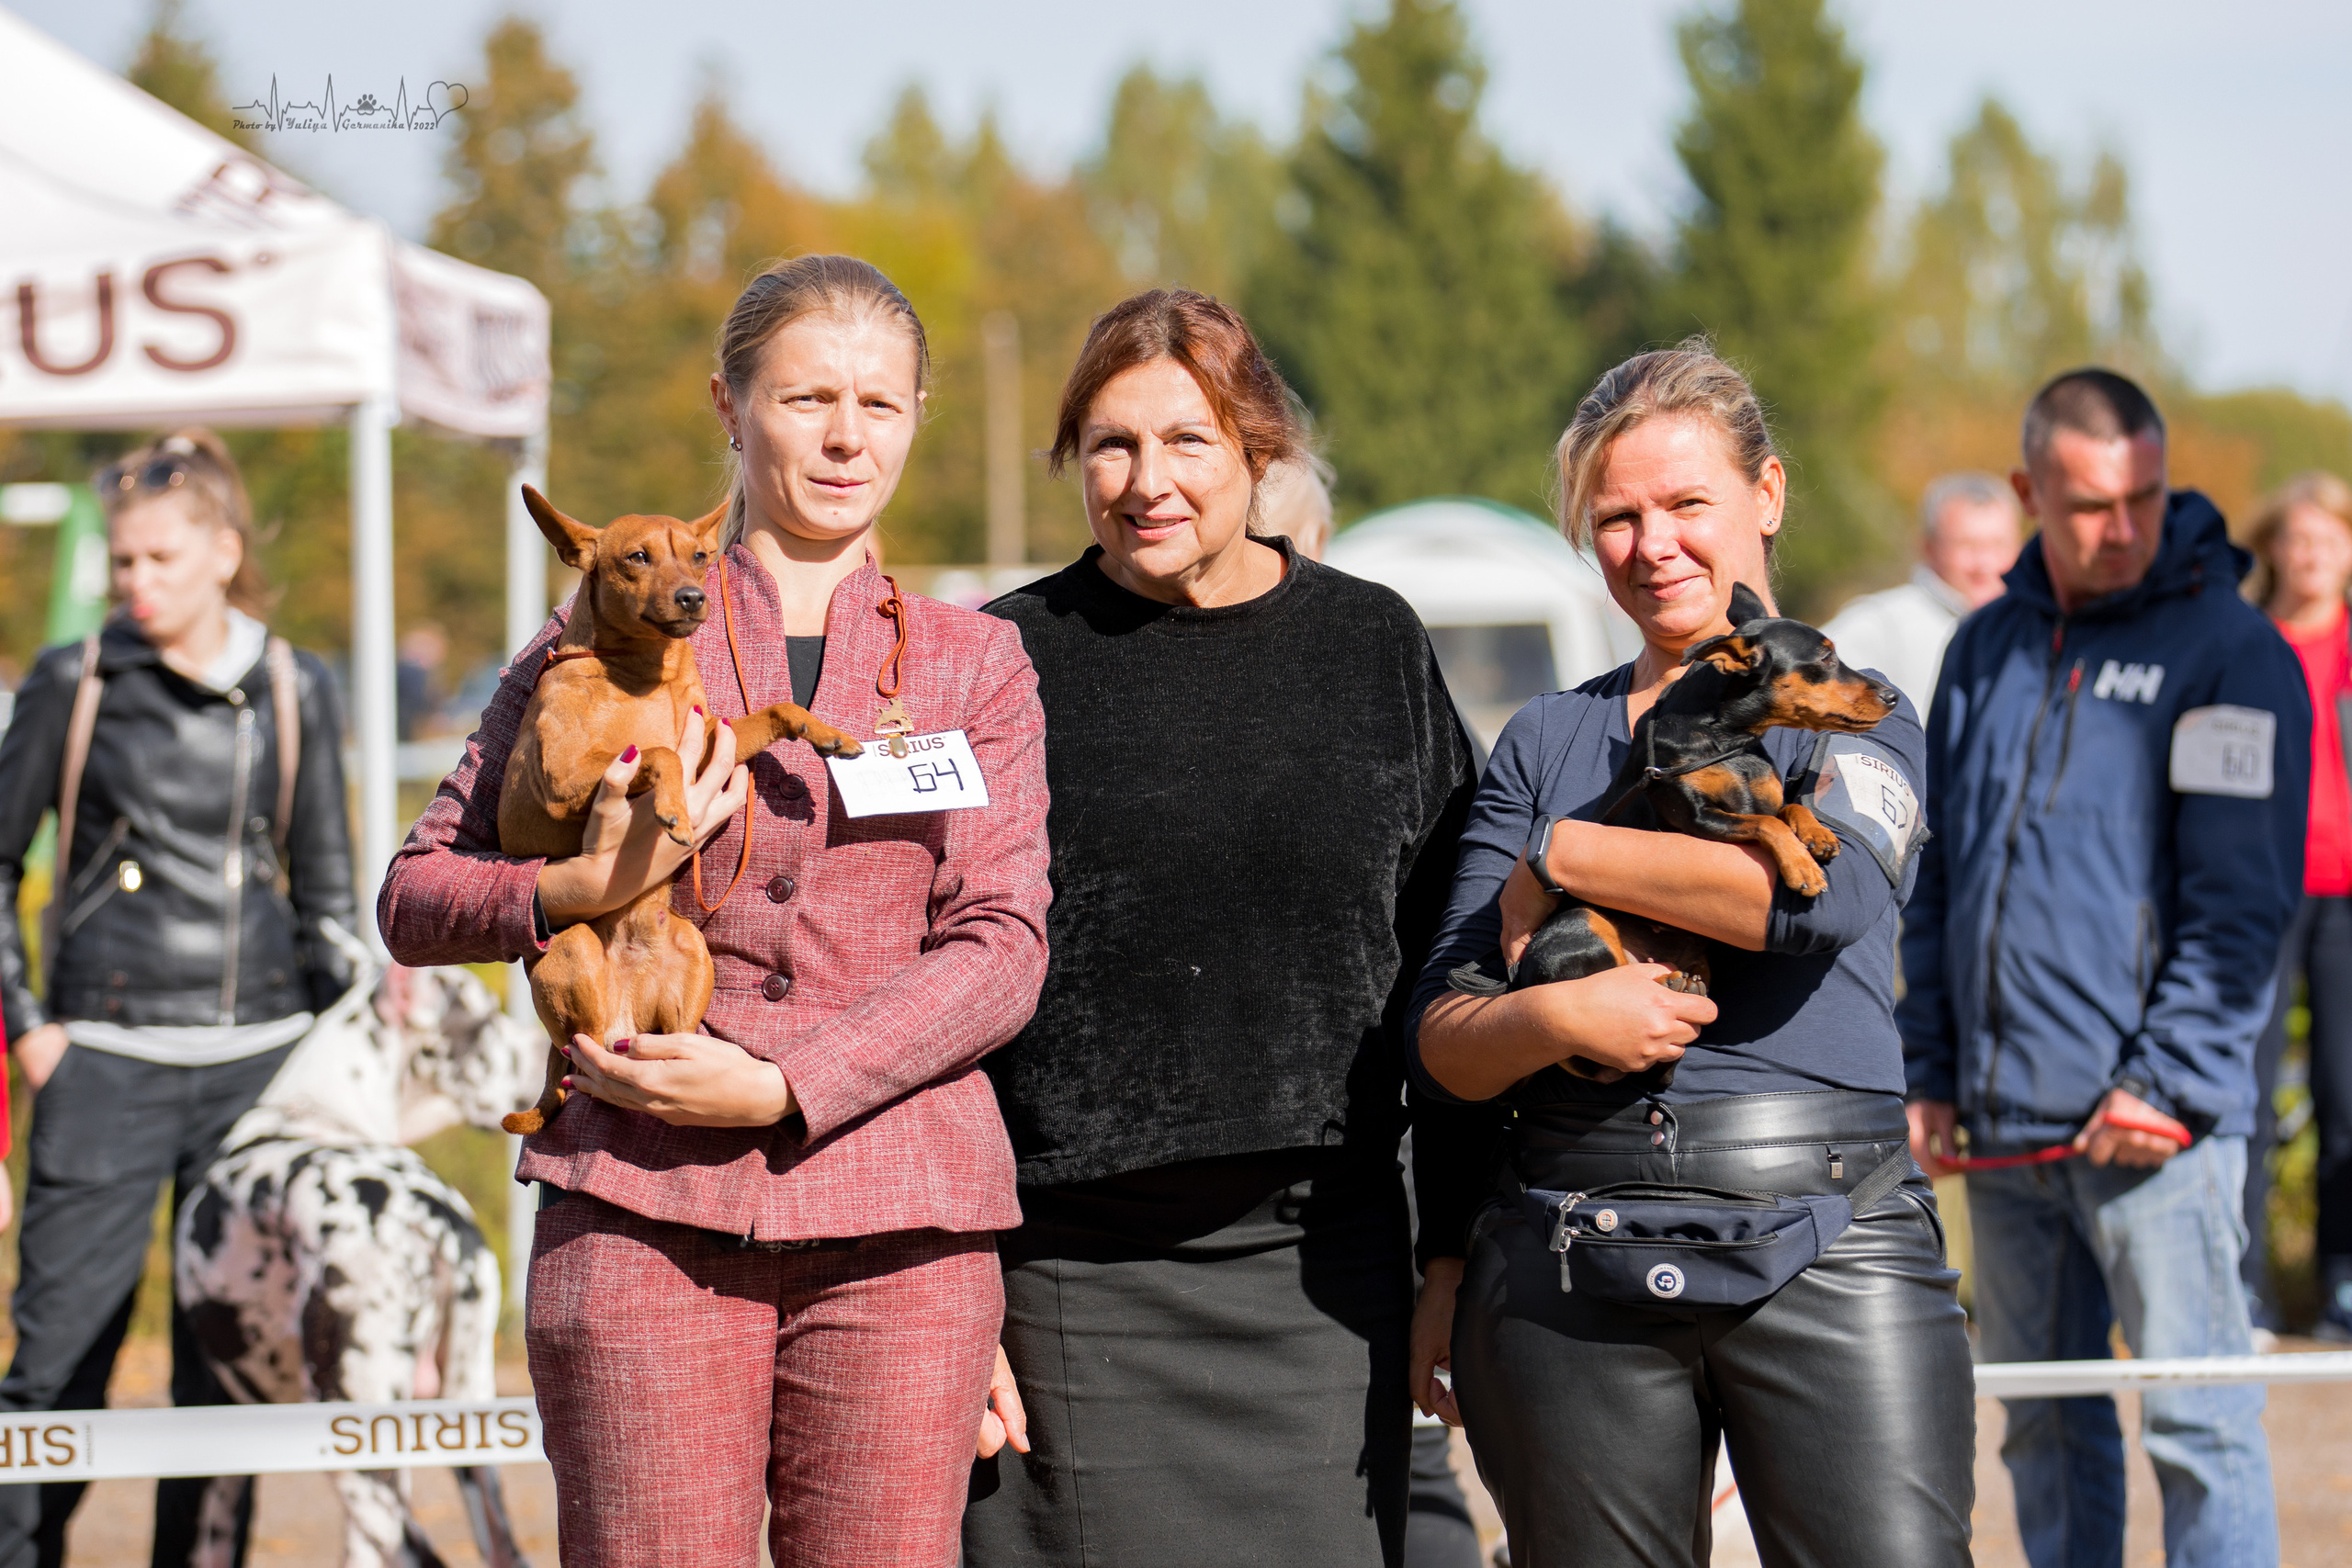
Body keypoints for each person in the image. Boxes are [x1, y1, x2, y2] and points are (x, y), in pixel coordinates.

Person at [378, 255, 1052, 1567]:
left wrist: (784, 1081)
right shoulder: (596, 635)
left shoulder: (979, 662)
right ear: (727, 408)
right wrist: (582, 884)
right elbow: (416, 896)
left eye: (881, 402)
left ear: (921, 415)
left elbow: (1003, 945)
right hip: (638, 1206)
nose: (848, 434)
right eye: (806, 397)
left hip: (903, 1232)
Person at [1411, 339, 1976, 1567]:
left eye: (1686, 503)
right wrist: (1558, 1022)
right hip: (1569, 1239)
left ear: (1767, 495)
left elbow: (1807, 903)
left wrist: (1567, 854)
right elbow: (1445, 1039)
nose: (1650, 543)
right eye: (1615, 516)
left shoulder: (1857, 705)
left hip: (1837, 1230)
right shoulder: (1543, 736)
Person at [961, 288, 1487, 1568]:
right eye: (1110, 444)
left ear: (1259, 451)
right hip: (1061, 1284)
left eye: (1186, 440)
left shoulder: (1371, 645)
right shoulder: (995, 660)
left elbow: (1452, 967)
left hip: (1321, 1273)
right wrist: (947, 1288)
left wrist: (1453, 1249)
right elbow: (934, 989)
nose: (1147, 480)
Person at [1902, 369, 2308, 1568]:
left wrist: (2171, 1081)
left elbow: (2243, 906)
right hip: (2006, 1134)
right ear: (2030, 491)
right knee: (2041, 1423)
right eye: (2087, 504)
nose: (2121, 526)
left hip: (2157, 1134)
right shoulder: (1982, 650)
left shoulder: (2235, 651)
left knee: (2199, 1425)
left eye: (2143, 495)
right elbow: (1939, 878)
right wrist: (1929, 1066)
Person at [0, 428, 356, 1568]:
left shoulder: (299, 686)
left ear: (222, 551)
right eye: (123, 564)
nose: (136, 584)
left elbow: (332, 896)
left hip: (259, 1069)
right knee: (57, 1364)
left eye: (159, 559)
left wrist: (336, 1060)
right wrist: (33, 1032)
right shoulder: (78, 678)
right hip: (102, 1055)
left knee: (227, 1380)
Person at [2243, 470, 2352, 1338]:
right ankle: (2241, 1282)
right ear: (2276, 546)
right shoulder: (2243, 643)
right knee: (2242, 1092)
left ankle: (2342, 1281)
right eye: (2300, 537)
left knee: (2345, 1095)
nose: (2313, 554)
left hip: (2346, 899)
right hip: (2256, 894)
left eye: (2330, 538)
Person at [1821, 469, 2023, 714]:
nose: (1985, 565)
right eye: (1967, 546)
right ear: (1928, 547)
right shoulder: (1881, 623)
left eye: (1998, 545)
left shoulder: (2035, 628)